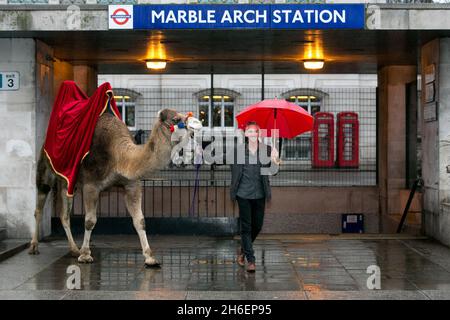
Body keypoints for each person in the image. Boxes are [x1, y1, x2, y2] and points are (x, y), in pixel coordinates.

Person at [229, 121, 279, 272]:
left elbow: (274, 171)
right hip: (243, 194)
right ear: (245, 134)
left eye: (255, 131)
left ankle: (243, 249)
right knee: (246, 227)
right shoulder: (237, 152)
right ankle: (251, 260)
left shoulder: (267, 150)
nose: (252, 134)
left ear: (259, 134)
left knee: (257, 225)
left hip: (259, 194)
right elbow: (234, 172)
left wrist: (275, 159)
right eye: (249, 131)